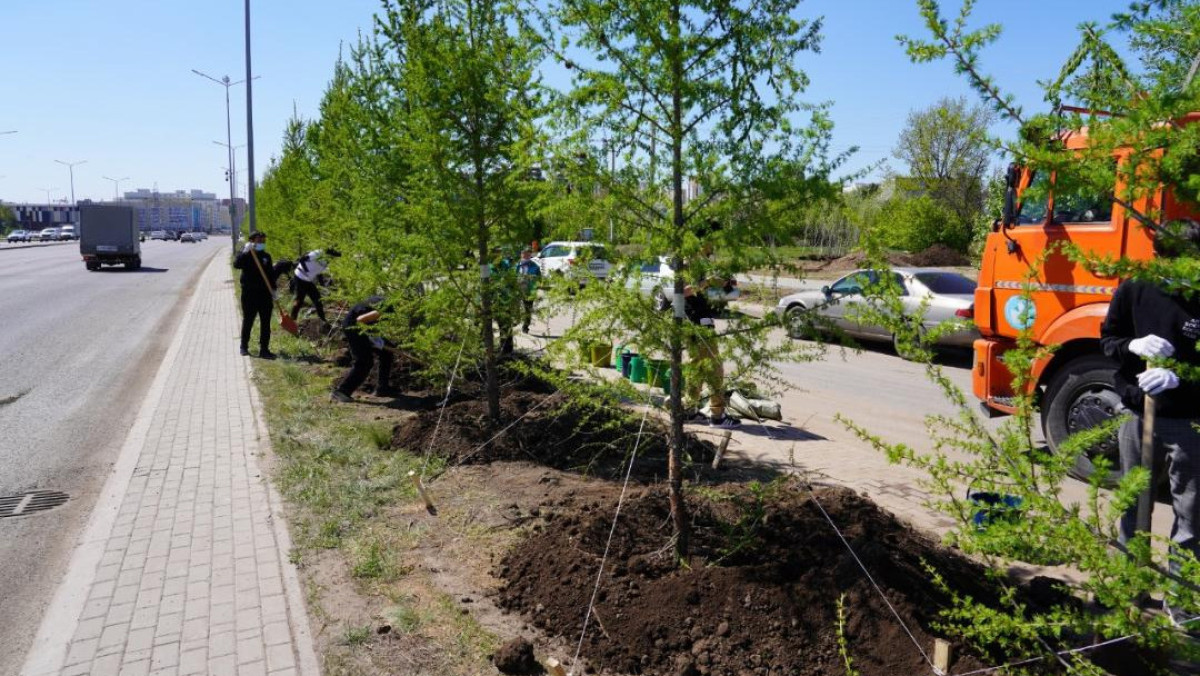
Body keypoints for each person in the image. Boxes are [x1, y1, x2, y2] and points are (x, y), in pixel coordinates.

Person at [1100, 221, 1200, 625]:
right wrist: (1131, 346)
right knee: (1132, 507)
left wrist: (1183, 375)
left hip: (1190, 422)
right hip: (1138, 415)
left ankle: (1182, 604)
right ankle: (1130, 588)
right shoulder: (1134, 288)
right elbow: (1108, 341)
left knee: (1191, 517)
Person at [683, 283, 739, 428]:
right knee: (714, 370)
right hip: (697, 328)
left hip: (702, 327)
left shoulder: (697, 268)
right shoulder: (685, 267)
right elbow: (683, 291)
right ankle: (717, 416)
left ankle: (690, 411)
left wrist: (724, 285)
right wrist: (707, 281)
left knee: (697, 369)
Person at [332, 295, 396, 402]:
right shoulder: (386, 308)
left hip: (360, 326)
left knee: (386, 351)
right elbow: (360, 320)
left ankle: (382, 388)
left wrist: (374, 336)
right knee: (364, 361)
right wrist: (371, 337)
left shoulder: (384, 300)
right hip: (354, 327)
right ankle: (342, 391)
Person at [233, 231, 278, 359]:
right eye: (259, 241)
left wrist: (274, 290)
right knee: (248, 320)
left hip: (265, 294)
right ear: (251, 241)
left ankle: (264, 349)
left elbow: (270, 275)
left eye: (263, 241)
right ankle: (243, 347)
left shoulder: (266, 256)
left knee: (265, 322)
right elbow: (236, 265)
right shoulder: (246, 255)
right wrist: (244, 252)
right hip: (249, 294)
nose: (262, 243)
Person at [291, 247, 341, 327]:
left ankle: (323, 320)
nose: (333, 259)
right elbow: (301, 259)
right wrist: (307, 271)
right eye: (333, 257)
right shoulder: (318, 253)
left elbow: (319, 273)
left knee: (317, 299)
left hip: (308, 280)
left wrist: (323, 285)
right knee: (300, 299)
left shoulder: (327, 261)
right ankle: (292, 319)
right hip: (300, 276)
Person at [516, 247, 541, 333]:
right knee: (516, 308)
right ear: (521, 254)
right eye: (523, 253)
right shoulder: (517, 265)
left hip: (529, 291)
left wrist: (534, 287)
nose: (525, 255)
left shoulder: (535, 267)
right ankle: (516, 321)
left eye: (527, 254)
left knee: (528, 310)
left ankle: (525, 325)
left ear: (530, 255)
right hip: (517, 290)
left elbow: (539, 279)